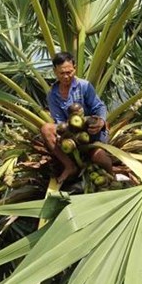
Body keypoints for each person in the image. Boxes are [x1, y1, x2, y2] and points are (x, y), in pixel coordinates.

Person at [41, 51, 113, 184]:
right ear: (55, 72)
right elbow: (59, 122)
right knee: (46, 128)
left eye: (69, 72)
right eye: (62, 73)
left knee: (100, 158)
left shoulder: (84, 86)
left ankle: (113, 178)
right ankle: (69, 166)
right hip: (70, 135)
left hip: (92, 134)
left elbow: (99, 107)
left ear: (75, 68)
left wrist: (101, 122)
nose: (66, 76)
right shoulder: (52, 95)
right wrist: (65, 136)